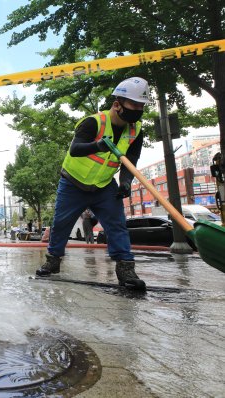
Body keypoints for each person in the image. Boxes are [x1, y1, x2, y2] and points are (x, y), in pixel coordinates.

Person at [36, 77, 150, 291]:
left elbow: (130, 162)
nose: (138, 110)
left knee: (117, 225)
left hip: (104, 186)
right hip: (72, 184)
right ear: (117, 104)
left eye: (141, 106)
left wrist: (125, 183)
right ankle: (52, 262)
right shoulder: (93, 122)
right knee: (61, 224)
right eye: (134, 105)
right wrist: (98, 145)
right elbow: (75, 149)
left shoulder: (136, 131)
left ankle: (126, 270)